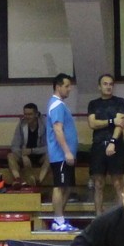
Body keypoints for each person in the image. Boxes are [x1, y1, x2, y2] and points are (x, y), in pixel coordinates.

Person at [87, 74, 124, 211]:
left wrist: (112, 142)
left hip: (115, 145)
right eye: (105, 84)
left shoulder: (120, 102)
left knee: (118, 183)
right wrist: (111, 121)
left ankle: (121, 216)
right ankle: (98, 217)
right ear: (99, 87)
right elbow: (92, 124)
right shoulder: (93, 104)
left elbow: (120, 124)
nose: (108, 86)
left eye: (111, 84)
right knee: (98, 184)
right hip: (98, 145)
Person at [45, 72, 79, 233]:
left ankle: (60, 219)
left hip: (65, 155)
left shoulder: (60, 105)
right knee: (59, 186)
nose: (69, 89)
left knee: (67, 187)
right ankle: (58, 221)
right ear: (58, 87)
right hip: (60, 155)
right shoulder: (57, 105)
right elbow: (58, 129)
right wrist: (66, 151)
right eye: (66, 86)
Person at [7, 103, 51, 187]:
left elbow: (50, 147)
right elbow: (14, 145)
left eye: (30, 114)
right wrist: (22, 154)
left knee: (51, 156)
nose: (27, 117)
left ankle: (39, 181)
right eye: (25, 114)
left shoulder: (45, 124)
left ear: (36, 114)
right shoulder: (21, 124)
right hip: (24, 155)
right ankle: (18, 179)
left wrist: (31, 151)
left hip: (40, 155)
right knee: (10, 156)